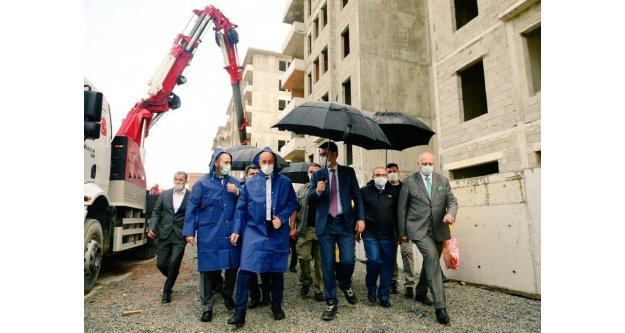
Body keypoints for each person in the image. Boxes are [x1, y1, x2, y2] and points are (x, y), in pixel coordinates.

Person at [228, 147, 297, 327]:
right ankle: (239, 313)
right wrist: (236, 230)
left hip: (276, 232)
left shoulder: (285, 182)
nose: (267, 165)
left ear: (274, 163)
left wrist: (282, 218)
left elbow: (292, 203)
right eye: (264, 162)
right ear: (259, 163)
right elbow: (240, 210)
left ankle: (276, 305)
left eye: (270, 162)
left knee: (276, 271)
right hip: (254, 231)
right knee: (246, 270)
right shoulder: (249, 184)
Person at [397, 151, 458, 325]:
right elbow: (401, 209)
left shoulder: (442, 181)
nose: (427, 166)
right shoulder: (409, 182)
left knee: (430, 261)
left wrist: (451, 214)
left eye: (430, 163)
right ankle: (440, 307)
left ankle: (421, 292)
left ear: (434, 164)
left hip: (439, 229)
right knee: (431, 257)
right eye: (424, 163)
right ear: (418, 165)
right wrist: (402, 233)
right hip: (418, 229)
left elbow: (452, 201)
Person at [182, 149, 242, 323]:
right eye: (225, 162)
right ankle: (207, 307)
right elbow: (192, 208)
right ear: (216, 162)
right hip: (210, 234)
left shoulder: (235, 183)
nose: (228, 166)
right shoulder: (202, 184)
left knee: (232, 267)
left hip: (230, 233)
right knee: (207, 270)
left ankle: (227, 294)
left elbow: (242, 209)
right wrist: (189, 232)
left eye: (229, 163)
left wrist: (238, 193)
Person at [308, 141, 365, 321]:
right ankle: (331, 301)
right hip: (326, 224)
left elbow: (357, 196)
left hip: (345, 223)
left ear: (334, 154)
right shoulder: (318, 174)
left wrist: (361, 218)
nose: (322, 157)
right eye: (320, 154)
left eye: (324, 154)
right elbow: (310, 199)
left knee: (348, 260)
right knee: (328, 263)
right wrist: (317, 191)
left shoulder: (348, 172)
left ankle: (346, 284)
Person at [147, 171, 190, 304]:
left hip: (180, 235)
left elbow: (192, 216)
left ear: (185, 181)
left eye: (181, 180)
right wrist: (152, 227)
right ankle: (172, 275)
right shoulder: (165, 194)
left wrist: (191, 233)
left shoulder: (191, 196)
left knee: (174, 262)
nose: (178, 182)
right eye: (176, 179)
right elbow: (156, 211)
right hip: (164, 233)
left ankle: (167, 291)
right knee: (161, 263)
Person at [360, 167, 399, 308]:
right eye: (378, 175)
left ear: (387, 177)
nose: (381, 177)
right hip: (370, 234)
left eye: (383, 175)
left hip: (388, 235)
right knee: (374, 260)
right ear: (373, 176)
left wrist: (400, 233)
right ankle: (371, 287)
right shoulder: (364, 191)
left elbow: (397, 214)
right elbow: (359, 210)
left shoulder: (393, 193)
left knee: (387, 266)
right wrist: (358, 227)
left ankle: (384, 296)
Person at [290, 162, 325, 302]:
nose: (313, 174)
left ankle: (319, 289)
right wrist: (292, 227)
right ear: (308, 174)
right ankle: (306, 280)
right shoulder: (302, 190)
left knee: (320, 262)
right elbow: (295, 209)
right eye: (311, 172)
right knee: (303, 257)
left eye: (316, 172)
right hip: (305, 229)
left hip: (323, 230)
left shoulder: (327, 189)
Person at [240, 164, 272, 309]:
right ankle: (254, 296)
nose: (254, 176)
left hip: (263, 231)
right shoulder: (240, 188)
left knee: (265, 265)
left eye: (256, 174)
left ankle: (266, 294)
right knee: (249, 266)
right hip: (246, 232)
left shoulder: (264, 190)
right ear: (246, 176)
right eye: (251, 174)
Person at [387, 163, 415, 298]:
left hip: (406, 228)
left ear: (398, 171)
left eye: (394, 171)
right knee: (391, 256)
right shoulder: (384, 188)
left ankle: (409, 285)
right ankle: (393, 281)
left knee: (407, 253)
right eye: (389, 171)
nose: (392, 173)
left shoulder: (406, 187)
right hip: (390, 228)